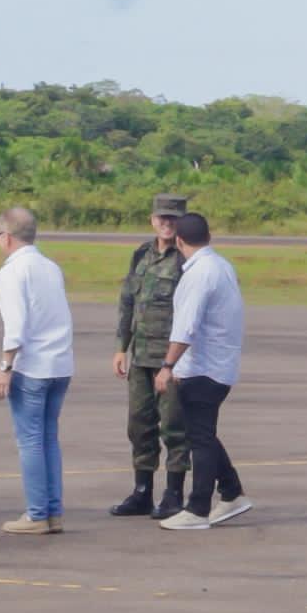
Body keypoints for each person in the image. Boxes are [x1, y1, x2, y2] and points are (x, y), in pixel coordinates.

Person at [155, 210, 250, 528]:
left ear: (179, 241)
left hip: (203, 368)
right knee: (203, 434)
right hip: (219, 365)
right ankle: (232, 492)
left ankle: (197, 509)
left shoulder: (198, 274)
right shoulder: (221, 265)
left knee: (200, 439)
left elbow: (186, 326)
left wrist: (167, 365)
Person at [0, 203, 75, 533]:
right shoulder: (50, 267)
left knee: (30, 441)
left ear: (7, 237)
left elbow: (16, 325)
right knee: (48, 439)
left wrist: (4, 367)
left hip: (32, 366)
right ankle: (53, 511)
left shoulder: (13, 271)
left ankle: (37, 513)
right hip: (59, 364)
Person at [112, 195, 189, 518]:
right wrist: (120, 346)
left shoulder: (187, 258)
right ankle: (142, 490)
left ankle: (174, 494)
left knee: (174, 426)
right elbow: (128, 301)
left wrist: (178, 362)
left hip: (172, 359)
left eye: (173, 218)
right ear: (152, 219)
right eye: (162, 217)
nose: (167, 223)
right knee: (139, 424)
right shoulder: (141, 254)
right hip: (141, 356)